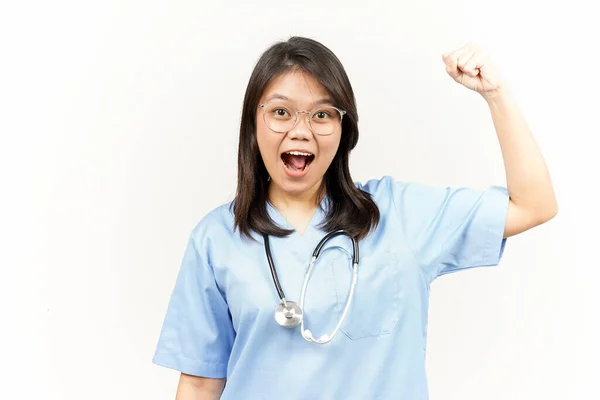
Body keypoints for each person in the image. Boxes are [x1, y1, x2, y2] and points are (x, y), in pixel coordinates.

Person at [152, 36, 557, 399]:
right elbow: (201, 384)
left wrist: (497, 95)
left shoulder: (400, 215)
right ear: (253, 125)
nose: (300, 130)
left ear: (344, 130)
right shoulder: (216, 238)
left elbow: (534, 205)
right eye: (280, 112)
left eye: (322, 115)